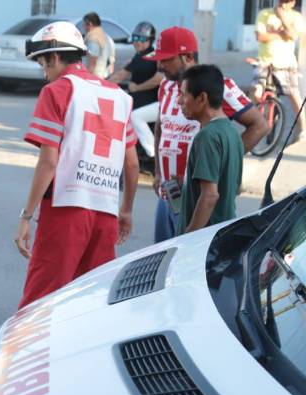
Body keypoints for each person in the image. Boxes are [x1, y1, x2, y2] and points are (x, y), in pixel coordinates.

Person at [16, 21, 139, 308]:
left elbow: (48, 161)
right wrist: (127, 210)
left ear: (55, 57)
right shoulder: (119, 96)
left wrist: (26, 215)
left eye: (43, 65)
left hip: (65, 210)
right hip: (106, 212)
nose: (44, 73)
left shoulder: (58, 91)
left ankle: (33, 354)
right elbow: (131, 165)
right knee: (90, 304)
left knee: (39, 304)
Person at [145, 27, 267, 243]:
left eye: (166, 59)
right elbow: (161, 127)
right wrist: (157, 171)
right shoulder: (165, 86)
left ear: (188, 57)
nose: (160, 65)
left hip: (197, 200)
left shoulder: (219, 86)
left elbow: (259, 126)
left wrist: (220, 164)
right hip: (168, 196)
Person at [177, 65, 244, 234]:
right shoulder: (231, 131)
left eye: (184, 94)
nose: (179, 101)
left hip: (203, 243)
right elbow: (233, 187)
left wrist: (187, 238)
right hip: (222, 238)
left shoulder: (207, 136)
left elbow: (210, 196)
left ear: (202, 98)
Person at [108, 21, 163, 160]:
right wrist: (102, 84)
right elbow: (121, 74)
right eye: (135, 38)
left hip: (151, 102)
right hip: (141, 101)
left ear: (150, 40)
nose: (138, 42)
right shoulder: (139, 56)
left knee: (136, 117)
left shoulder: (155, 56)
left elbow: (158, 79)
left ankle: (153, 153)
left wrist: (137, 87)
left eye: (142, 39)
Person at [254, 0, 306, 140]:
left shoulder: (296, 17)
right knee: (257, 92)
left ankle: (303, 128)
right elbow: (260, 36)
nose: (282, 4)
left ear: (293, 3)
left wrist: (282, 18)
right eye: (281, 1)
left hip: (286, 64)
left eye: (286, 2)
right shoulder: (264, 14)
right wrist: (282, 34)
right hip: (264, 63)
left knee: (294, 96)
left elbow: (294, 35)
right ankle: (255, 123)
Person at [82, 12, 115, 79]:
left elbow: (92, 64)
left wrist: (86, 79)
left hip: (95, 78)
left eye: (84, 24)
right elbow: (112, 62)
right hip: (105, 76)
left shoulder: (93, 39)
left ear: (90, 24)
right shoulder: (107, 37)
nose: (83, 27)